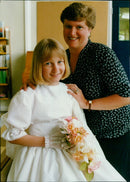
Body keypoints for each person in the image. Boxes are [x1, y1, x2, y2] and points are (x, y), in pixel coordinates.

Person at [22, 2, 130, 181]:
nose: (72, 33)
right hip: (82, 136)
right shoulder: (61, 57)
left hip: (112, 134)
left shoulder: (102, 54)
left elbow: (126, 95)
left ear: (89, 29)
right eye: (68, 26)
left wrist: (87, 103)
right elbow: (51, 83)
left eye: (79, 27)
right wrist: (31, 80)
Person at [2, 38, 126, 181]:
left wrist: (82, 145)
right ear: (38, 66)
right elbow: (13, 135)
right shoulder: (27, 95)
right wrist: (47, 141)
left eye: (60, 62)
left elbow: (81, 126)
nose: (56, 69)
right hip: (37, 158)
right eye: (48, 64)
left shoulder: (68, 92)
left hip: (68, 154)